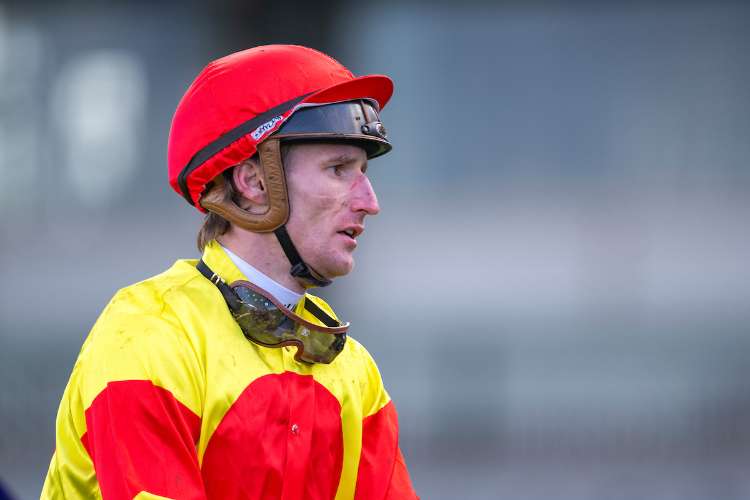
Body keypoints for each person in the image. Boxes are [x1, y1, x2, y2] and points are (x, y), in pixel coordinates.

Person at [42, 45, 418, 499]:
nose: (369, 202)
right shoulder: (150, 334)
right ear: (255, 182)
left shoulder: (355, 372)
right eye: (338, 169)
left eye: (363, 171)